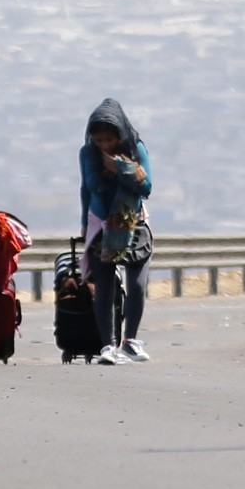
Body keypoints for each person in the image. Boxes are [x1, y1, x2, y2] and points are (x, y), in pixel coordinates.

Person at [76, 99, 154, 364]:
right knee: (104, 288)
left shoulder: (136, 148)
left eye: (109, 139)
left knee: (137, 285)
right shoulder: (87, 154)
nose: (104, 145)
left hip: (133, 223)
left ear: (119, 135)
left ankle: (130, 340)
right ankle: (107, 345)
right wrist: (85, 224)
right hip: (101, 224)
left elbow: (147, 188)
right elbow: (88, 188)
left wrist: (121, 168)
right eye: (98, 140)